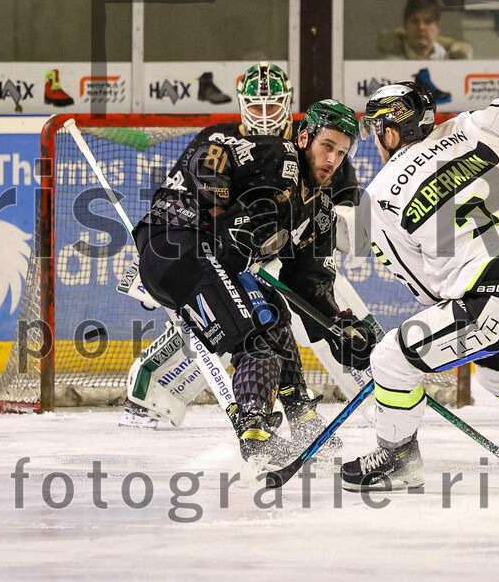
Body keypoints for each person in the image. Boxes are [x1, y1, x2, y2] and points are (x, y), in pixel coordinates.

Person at [340, 81, 499, 491]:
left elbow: (428, 291)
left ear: (390, 132)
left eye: (375, 129)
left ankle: (399, 458)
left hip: (498, 301)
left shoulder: (378, 199)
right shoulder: (475, 125)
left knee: (391, 358)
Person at [129, 62, 374, 465]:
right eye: (326, 147)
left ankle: (302, 415)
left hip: (210, 257)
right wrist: (229, 209)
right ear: (303, 136)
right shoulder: (273, 155)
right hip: (176, 245)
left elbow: (306, 280)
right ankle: (256, 433)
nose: (333, 160)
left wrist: (338, 325)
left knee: (274, 312)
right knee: (256, 331)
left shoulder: (318, 206)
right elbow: (210, 162)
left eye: (342, 152)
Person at [377, 0, 473, 61]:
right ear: (405, 26)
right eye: (415, 22)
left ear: (438, 27)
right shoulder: (390, 64)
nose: (421, 27)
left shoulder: (453, 63)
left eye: (427, 22)